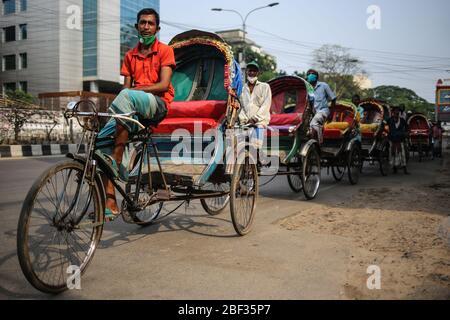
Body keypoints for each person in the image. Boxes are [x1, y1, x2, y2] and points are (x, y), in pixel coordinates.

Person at [98, 8, 176, 220]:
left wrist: (132, 92)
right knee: (100, 143)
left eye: (150, 23)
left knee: (127, 96)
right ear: (137, 26)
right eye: (142, 23)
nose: (146, 27)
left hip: (157, 104)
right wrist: (129, 93)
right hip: (132, 108)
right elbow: (126, 89)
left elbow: (163, 84)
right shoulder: (129, 55)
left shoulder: (165, 51)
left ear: (157, 28)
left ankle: (118, 159)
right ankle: (111, 199)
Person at [239, 61, 272, 148]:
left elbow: (266, 105)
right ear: (247, 72)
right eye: (250, 71)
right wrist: (244, 119)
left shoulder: (265, 87)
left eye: (254, 71)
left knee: (256, 148)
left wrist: (255, 118)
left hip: (259, 122)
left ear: (258, 73)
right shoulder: (242, 89)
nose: (252, 73)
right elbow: (241, 106)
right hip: (245, 123)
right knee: (240, 147)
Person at [306, 69, 337, 144]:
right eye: (309, 74)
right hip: (315, 113)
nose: (310, 75)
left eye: (312, 74)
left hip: (324, 111)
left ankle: (319, 143)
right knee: (306, 127)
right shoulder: (308, 88)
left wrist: (331, 114)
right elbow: (310, 103)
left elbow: (333, 98)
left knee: (314, 123)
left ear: (316, 77)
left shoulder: (324, 85)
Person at [387, 106, 409, 174]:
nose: (397, 112)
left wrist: (406, 133)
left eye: (398, 111)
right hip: (392, 139)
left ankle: (405, 169)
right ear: (393, 112)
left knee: (402, 154)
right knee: (392, 154)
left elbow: (407, 127)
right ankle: (394, 168)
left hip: (400, 139)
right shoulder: (389, 120)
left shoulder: (402, 120)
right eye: (395, 111)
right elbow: (385, 127)